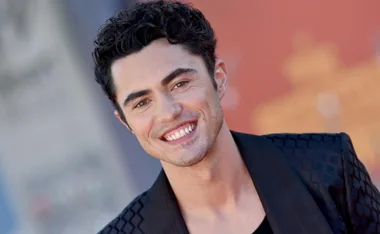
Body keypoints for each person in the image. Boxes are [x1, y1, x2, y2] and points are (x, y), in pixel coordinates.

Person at [92, 1, 380, 233]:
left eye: (179, 85)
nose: (168, 112)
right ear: (125, 121)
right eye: (142, 103)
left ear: (218, 78)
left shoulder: (328, 166)